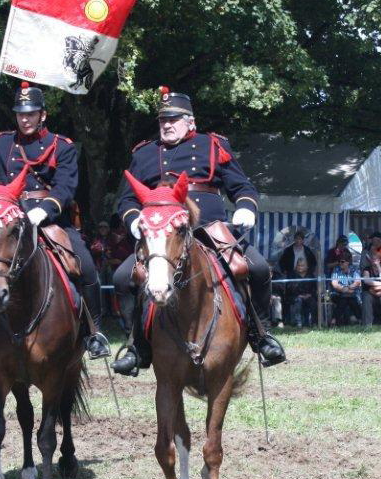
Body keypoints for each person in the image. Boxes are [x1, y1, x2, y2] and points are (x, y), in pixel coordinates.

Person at [110, 87, 285, 375]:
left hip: (209, 228)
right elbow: (128, 200)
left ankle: (260, 334)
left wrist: (245, 207)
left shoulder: (212, 145)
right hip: (163, 232)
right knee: (122, 277)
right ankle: (137, 345)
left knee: (257, 268)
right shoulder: (145, 153)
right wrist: (133, 220)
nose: (167, 125)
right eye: (163, 120)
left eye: (173, 119)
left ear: (190, 121)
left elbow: (242, 187)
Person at [0, 82, 109, 359]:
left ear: (43, 114)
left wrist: (45, 209)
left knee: (86, 266)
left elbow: (66, 187)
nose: (25, 119)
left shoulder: (62, 146)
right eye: (21, 113)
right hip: (10, 218)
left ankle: (94, 333)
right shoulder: (3, 142)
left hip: (50, 219)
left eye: (31, 113)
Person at [329, 250, 362, 325]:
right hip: (338, 293)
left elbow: (357, 282)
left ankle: (334, 320)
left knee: (346, 300)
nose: (340, 263)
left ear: (348, 262)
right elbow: (334, 284)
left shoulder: (354, 269)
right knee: (346, 299)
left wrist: (347, 288)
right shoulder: (336, 270)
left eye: (342, 262)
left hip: (352, 293)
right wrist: (344, 290)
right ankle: (359, 319)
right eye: (339, 261)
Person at [361, 249, 381, 325]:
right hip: (370, 292)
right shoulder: (367, 269)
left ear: (380, 260)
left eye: (376, 259)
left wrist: (378, 266)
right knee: (366, 297)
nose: (374, 260)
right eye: (372, 258)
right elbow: (366, 281)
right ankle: (367, 324)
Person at [286, 258, 317, 327]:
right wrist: (299, 295)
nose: (300, 267)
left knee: (313, 302)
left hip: (308, 296)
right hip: (296, 296)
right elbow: (289, 288)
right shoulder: (292, 275)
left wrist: (310, 294)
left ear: (307, 267)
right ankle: (298, 322)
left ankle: (313, 322)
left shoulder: (310, 275)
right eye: (298, 265)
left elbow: (314, 288)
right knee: (298, 301)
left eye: (302, 266)